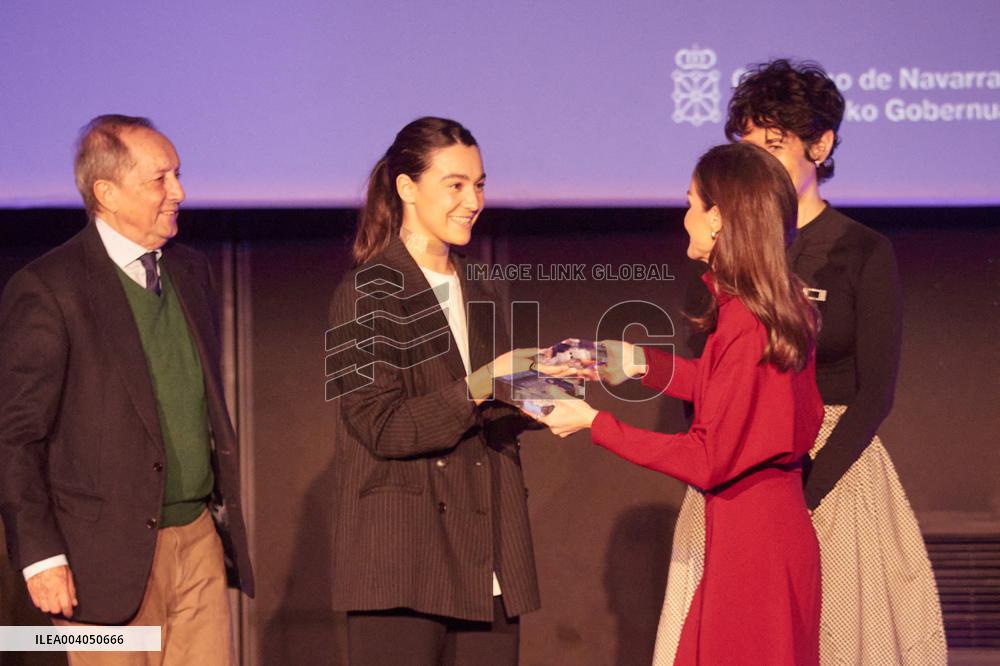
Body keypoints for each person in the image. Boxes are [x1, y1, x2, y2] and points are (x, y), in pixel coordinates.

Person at [663, 59, 948, 665]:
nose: (759, 163)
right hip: (737, 472)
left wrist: (807, 488)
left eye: (775, 145)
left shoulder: (862, 249)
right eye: (749, 147)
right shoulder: (720, 249)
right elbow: (707, 377)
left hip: (829, 469)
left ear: (820, 146)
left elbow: (876, 391)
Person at [535, 142, 824, 665]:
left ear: (717, 219)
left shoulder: (747, 321)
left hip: (754, 545)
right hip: (764, 530)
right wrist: (629, 361)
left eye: (691, 202)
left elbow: (707, 457)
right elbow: (728, 391)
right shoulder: (765, 309)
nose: (684, 216)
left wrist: (594, 423)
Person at [0, 115, 254, 664]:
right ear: (107, 193)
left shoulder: (191, 271)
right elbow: (16, 437)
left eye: (178, 175)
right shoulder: (50, 288)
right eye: (160, 179)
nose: (179, 192)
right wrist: (41, 557)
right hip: (100, 562)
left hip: (197, 544)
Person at [326, 117, 544, 666]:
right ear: (407, 187)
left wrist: (542, 392)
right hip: (405, 563)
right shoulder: (366, 291)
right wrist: (481, 386)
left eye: (480, 185)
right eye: (455, 185)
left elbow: (488, 411)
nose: (473, 201)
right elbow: (382, 426)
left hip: (487, 558)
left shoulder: (484, 287)